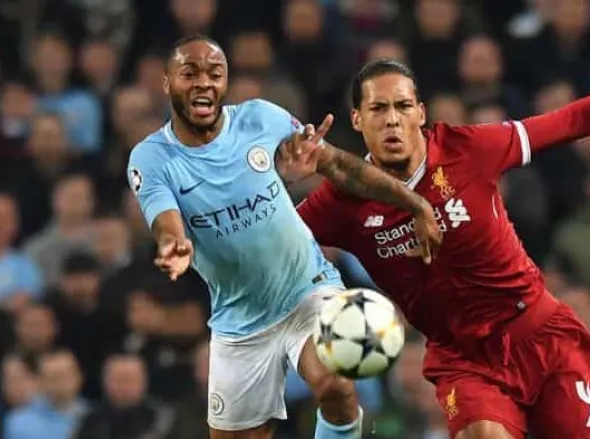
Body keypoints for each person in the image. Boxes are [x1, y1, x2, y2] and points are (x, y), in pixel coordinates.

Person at [289, 51, 590, 439]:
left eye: (402, 106)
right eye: (378, 109)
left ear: (421, 113)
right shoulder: (339, 202)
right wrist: (281, 183)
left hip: (541, 335)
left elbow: (574, 118)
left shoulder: (470, 150)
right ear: (357, 118)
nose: (392, 119)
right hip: (464, 360)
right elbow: (265, 244)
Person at [126, 35, 442, 439]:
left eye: (215, 73)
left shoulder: (261, 118)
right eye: (190, 73)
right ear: (168, 82)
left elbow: (339, 166)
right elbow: (165, 221)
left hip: (308, 288)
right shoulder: (152, 158)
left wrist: (415, 203)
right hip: (240, 320)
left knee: (336, 384)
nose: (204, 82)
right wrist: (174, 244)